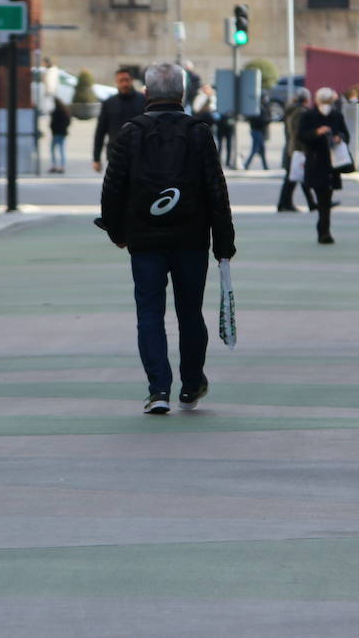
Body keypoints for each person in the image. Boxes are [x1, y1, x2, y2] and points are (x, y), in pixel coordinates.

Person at [100, 62, 235, 414]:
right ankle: (191, 383)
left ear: (147, 93)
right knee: (190, 312)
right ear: (183, 94)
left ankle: (158, 388)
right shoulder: (198, 132)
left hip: (145, 238)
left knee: (149, 312)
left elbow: (113, 186)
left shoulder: (130, 132)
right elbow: (215, 189)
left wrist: (117, 231)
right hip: (191, 237)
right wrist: (224, 242)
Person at [297, 87, 349, 244]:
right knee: (322, 197)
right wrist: (317, 132)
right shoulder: (308, 115)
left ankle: (324, 229)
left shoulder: (336, 115)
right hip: (315, 161)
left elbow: (346, 134)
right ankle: (323, 229)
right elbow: (301, 135)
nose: (326, 104)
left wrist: (339, 137)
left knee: (326, 197)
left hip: (333, 163)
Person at [92, 68, 146, 172]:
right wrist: (96, 159)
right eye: (121, 81)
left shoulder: (143, 101)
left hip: (140, 154)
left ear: (132, 80)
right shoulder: (109, 103)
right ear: (116, 82)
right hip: (115, 155)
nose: (124, 83)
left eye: (127, 80)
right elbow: (100, 132)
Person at [276, 88, 315, 212]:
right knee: (299, 176)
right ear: (306, 99)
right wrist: (306, 149)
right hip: (297, 149)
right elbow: (299, 133)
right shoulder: (300, 112)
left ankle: (285, 203)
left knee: (292, 177)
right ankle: (310, 203)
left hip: (292, 148)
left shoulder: (292, 111)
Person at [244, 94, 270, 170]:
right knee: (255, 149)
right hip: (257, 131)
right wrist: (267, 120)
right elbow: (262, 120)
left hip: (258, 131)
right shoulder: (259, 109)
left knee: (262, 150)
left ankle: (265, 166)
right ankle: (247, 164)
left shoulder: (258, 108)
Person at [48, 97, 71, 173]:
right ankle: (62, 166)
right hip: (63, 133)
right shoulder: (65, 111)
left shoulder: (55, 112)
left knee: (53, 150)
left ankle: (54, 165)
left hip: (56, 133)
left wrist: (52, 128)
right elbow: (68, 122)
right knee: (61, 150)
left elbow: (52, 123)